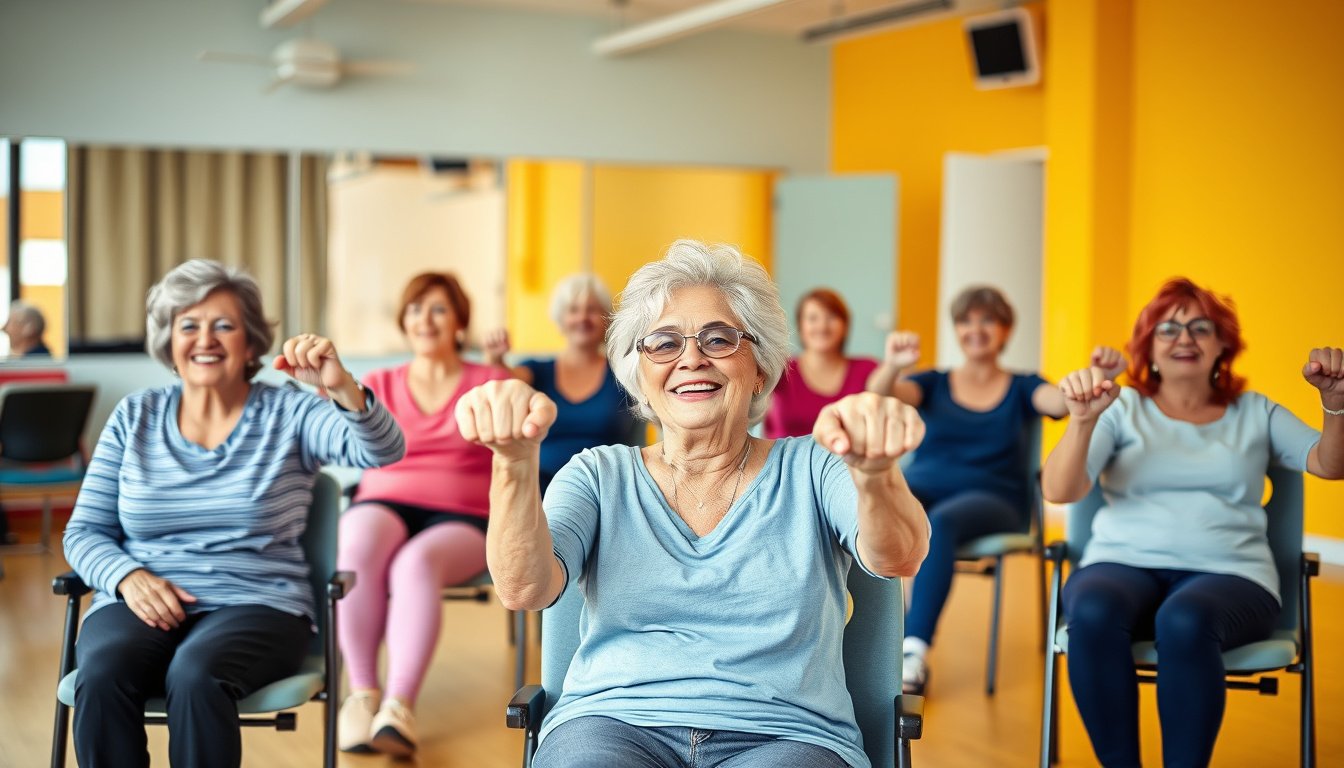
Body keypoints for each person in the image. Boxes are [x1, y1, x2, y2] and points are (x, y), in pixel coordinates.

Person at [457, 240, 930, 768]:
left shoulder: (814, 467)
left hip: (789, 736)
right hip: (612, 725)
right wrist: (513, 463)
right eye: (662, 343)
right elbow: (523, 588)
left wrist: (876, 473)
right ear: (639, 373)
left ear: (761, 368)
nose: (691, 358)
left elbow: (900, 556)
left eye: (719, 338)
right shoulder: (596, 474)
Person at [62, 260, 406, 768]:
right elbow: (85, 530)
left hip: (259, 603)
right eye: (189, 325)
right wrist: (127, 577)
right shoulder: (135, 416)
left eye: (224, 324)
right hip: (139, 599)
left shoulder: (290, 413)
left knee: (196, 673)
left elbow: (383, 452)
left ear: (250, 344)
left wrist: (341, 388)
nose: (206, 338)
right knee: (103, 672)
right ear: (169, 342)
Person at [1040, 277, 1343, 768]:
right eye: (1169, 329)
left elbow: (1331, 463)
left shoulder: (1255, 411)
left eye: (1200, 327)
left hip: (1231, 575)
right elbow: (1058, 490)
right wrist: (1081, 420)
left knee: (1184, 620)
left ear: (1223, 344)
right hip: (1121, 563)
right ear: (1148, 348)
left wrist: (1336, 404)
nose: (1185, 338)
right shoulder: (1120, 408)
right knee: (1092, 612)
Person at [869, 285, 1123, 695]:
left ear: (1005, 330)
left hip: (994, 499)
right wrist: (893, 365)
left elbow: (1059, 403)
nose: (976, 329)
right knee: (871, 501)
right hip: (924, 487)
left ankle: (912, 653)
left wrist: (1099, 379)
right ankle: (860, 646)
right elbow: (879, 397)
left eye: (987, 320)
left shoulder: (1023, 386)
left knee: (938, 524)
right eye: (966, 320)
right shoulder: (933, 382)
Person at [335, 272, 513, 757]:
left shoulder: (493, 381)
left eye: (437, 308)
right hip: (383, 501)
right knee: (355, 543)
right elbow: (350, 442)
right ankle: (362, 695)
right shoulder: (377, 383)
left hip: (464, 513)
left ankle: (398, 707)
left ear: (459, 321)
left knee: (414, 564)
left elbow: (517, 444)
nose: (424, 319)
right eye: (415, 309)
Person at [483, 273, 641, 493]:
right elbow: (503, 382)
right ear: (561, 318)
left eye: (592, 309)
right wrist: (496, 358)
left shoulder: (623, 371)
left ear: (607, 319)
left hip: (606, 484)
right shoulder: (536, 371)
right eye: (573, 310)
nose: (583, 317)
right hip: (541, 484)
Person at [764, 288, 881, 438]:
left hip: (847, 461)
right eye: (813, 318)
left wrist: (894, 364)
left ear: (845, 326)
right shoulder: (781, 369)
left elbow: (889, 390)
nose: (822, 326)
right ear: (800, 327)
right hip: (785, 459)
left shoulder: (866, 369)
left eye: (831, 317)